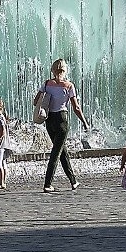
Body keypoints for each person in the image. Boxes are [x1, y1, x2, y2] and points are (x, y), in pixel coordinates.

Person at [34, 58, 89, 193]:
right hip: (62, 120)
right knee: (56, 153)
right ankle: (47, 184)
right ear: (65, 70)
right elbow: (76, 107)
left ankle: (73, 181)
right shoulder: (69, 86)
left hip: (49, 120)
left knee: (61, 151)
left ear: (52, 70)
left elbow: (36, 101)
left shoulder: (46, 84)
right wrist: (84, 122)